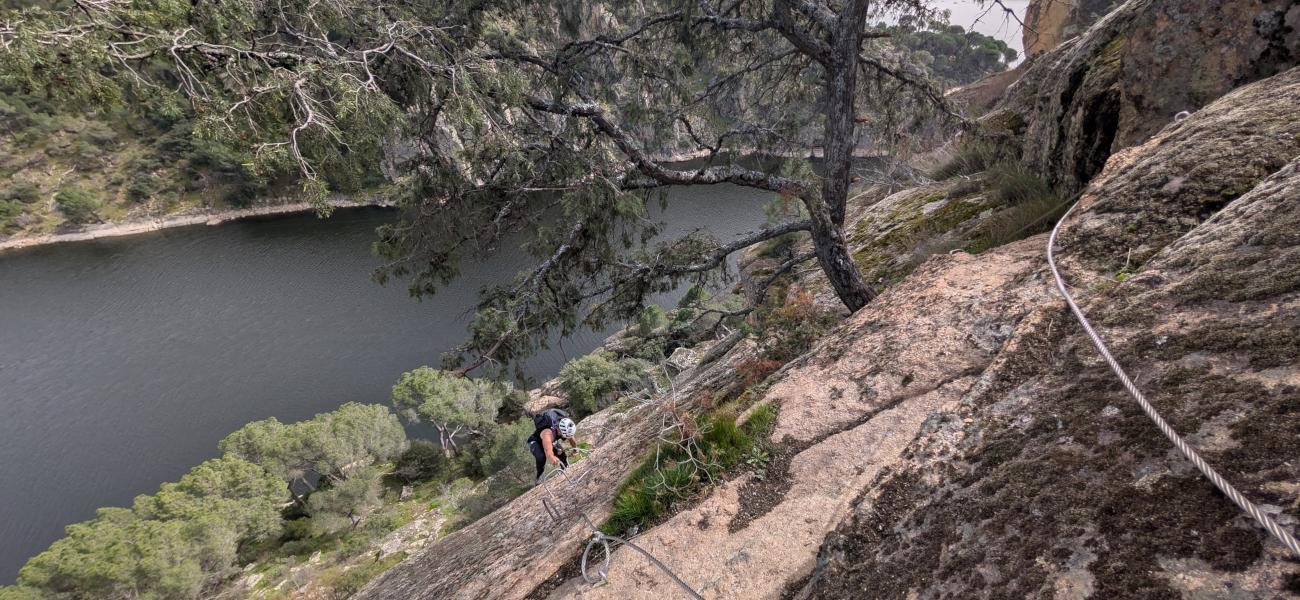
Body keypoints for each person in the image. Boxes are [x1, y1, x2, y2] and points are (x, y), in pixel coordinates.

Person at [528, 407, 578, 483]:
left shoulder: (564, 427)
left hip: (550, 441)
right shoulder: (548, 433)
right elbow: (548, 450)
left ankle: (565, 467)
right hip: (536, 442)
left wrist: (575, 449)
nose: (565, 437)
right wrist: (552, 457)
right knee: (540, 457)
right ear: (560, 431)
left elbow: (571, 439)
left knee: (562, 454)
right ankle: (539, 477)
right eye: (564, 435)